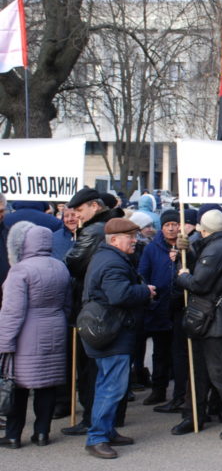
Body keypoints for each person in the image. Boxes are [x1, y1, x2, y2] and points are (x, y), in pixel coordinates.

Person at [80, 218, 156, 459]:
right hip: (114, 331)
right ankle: (97, 437)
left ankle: (106, 431)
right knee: (112, 387)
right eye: (130, 237)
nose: (135, 241)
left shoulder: (107, 257)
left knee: (107, 383)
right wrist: (146, 291)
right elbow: (119, 294)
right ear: (114, 240)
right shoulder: (113, 262)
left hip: (109, 329)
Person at [170, 209, 222, 440]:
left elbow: (200, 283)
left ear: (204, 229)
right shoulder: (217, 245)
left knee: (219, 373)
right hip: (208, 318)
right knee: (199, 372)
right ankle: (193, 415)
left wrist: (182, 275)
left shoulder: (215, 250)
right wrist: (189, 250)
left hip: (212, 320)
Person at [0, 223, 71, 448]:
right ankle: (42, 433)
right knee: (47, 385)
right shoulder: (60, 266)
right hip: (56, 328)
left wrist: (4, 341)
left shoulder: (20, 270)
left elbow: (12, 310)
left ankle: (13, 435)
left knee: (18, 385)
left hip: (26, 333)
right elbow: (67, 304)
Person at [62, 188, 120, 436]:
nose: (76, 216)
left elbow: (73, 263)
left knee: (91, 368)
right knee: (103, 368)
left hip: (92, 307)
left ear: (94, 207)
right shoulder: (108, 225)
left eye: (79, 210)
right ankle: (100, 420)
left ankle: (93, 421)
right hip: (102, 306)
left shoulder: (94, 231)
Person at [137, 209, 181, 407]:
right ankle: (158, 389)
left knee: (178, 351)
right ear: (161, 228)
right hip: (160, 307)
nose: (171, 228)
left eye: (174, 224)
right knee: (160, 352)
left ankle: (181, 392)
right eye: (167, 225)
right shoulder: (152, 248)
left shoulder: (186, 247)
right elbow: (143, 273)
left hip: (180, 308)